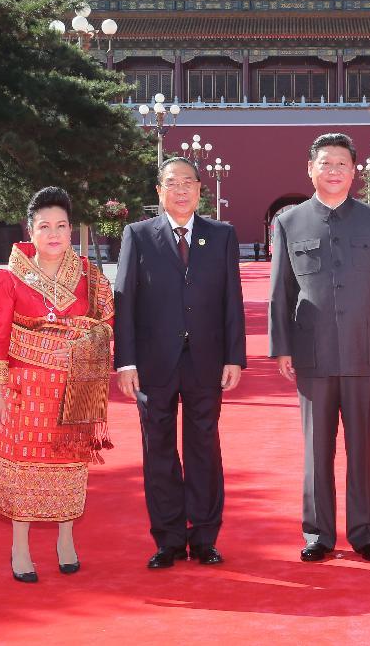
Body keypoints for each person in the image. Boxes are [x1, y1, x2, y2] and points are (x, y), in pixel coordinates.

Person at [269, 133, 370, 563]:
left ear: (355, 171)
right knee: (317, 448)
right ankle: (319, 533)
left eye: (343, 164)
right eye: (326, 164)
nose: (334, 171)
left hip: (366, 350)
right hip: (313, 353)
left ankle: (367, 532)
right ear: (310, 169)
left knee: (364, 445)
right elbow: (281, 289)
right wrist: (282, 347)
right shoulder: (290, 223)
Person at [114, 157, 246, 569]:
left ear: (200, 189)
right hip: (153, 364)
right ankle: (168, 539)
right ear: (159, 191)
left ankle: (205, 537)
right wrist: (126, 362)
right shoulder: (137, 235)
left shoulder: (221, 235)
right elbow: (125, 301)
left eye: (189, 182)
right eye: (173, 182)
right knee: (159, 452)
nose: (182, 189)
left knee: (205, 448)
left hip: (206, 361)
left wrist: (234, 357)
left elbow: (232, 302)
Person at [0, 186, 114, 583]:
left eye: (61, 225)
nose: (54, 233)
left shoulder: (90, 279)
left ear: (71, 229)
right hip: (25, 389)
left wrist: (87, 334)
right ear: (30, 230)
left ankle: (65, 539)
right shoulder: (7, 279)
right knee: (24, 466)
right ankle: (20, 547)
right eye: (45, 226)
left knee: (70, 465)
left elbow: (107, 326)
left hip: (76, 389)